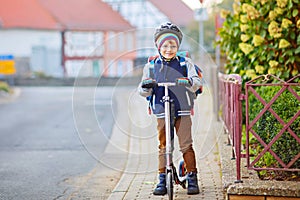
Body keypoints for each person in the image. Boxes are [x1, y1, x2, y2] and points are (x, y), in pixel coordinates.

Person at [138, 22, 202, 195]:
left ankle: (192, 176)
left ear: (178, 46)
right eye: (165, 45)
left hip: (182, 109)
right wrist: (146, 86)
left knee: (185, 144)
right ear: (159, 47)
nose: (169, 49)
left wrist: (188, 82)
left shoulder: (184, 63)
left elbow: (197, 82)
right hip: (161, 109)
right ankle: (161, 179)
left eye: (173, 45)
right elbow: (142, 91)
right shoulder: (151, 66)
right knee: (164, 145)